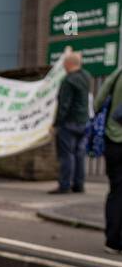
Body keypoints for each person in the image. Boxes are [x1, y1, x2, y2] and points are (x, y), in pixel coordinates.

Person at [50, 50, 93, 194]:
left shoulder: (68, 81)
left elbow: (64, 105)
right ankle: (79, 184)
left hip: (69, 123)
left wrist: (56, 124)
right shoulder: (86, 77)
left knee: (67, 155)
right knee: (79, 154)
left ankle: (64, 185)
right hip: (83, 121)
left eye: (64, 64)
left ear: (68, 64)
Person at [94, 62, 122, 253]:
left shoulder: (118, 73)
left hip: (114, 139)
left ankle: (113, 241)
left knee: (116, 191)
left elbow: (98, 102)